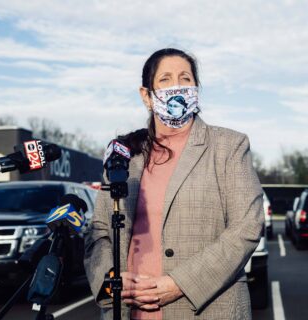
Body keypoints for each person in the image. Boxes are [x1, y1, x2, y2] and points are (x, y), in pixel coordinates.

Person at [84, 48, 264, 320]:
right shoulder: (124, 154)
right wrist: (110, 281)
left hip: (206, 310)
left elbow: (247, 226)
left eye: (185, 78)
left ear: (196, 88)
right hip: (129, 311)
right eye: (165, 79)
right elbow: (99, 230)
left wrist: (179, 283)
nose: (177, 86)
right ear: (146, 95)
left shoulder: (229, 146)